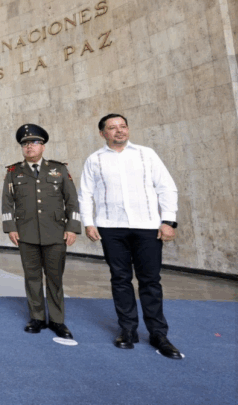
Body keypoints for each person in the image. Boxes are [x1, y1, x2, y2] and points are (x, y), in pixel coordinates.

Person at [79, 114, 183, 360]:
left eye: (123, 126)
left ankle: (158, 334)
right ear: (103, 133)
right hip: (110, 228)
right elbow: (85, 193)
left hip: (147, 227)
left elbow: (166, 186)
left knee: (150, 281)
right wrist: (88, 222)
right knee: (120, 279)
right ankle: (128, 330)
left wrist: (168, 220)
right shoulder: (95, 160)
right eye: (112, 128)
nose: (119, 131)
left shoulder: (146, 154)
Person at [1, 124, 81, 339]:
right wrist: (10, 228)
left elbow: (72, 201)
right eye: (25, 144)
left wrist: (72, 228)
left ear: (43, 147)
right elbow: (7, 203)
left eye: (34, 143)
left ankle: (57, 320)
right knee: (32, 277)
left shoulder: (59, 170)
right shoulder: (13, 172)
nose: (29, 147)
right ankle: (37, 317)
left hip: (56, 233)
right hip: (26, 233)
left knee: (54, 278)